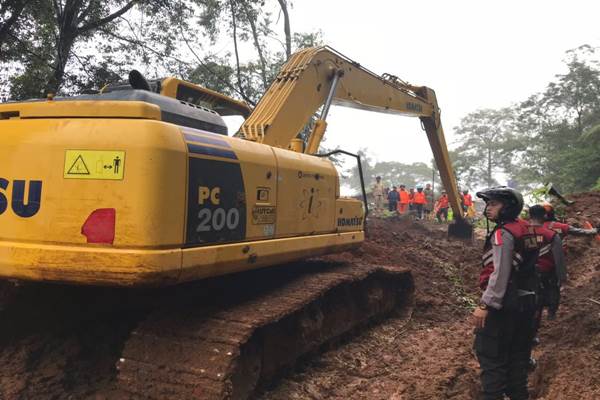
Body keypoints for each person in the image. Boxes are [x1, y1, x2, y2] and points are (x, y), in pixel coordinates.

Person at [473, 186, 540, 400]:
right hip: (527, 303)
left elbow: (500, 273)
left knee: (491, 358)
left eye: (493, 204)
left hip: (505, 305)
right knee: (517, 362)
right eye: (487, 204)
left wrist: (486, 305)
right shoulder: (526, 228)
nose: (488, 209)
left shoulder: (503, 233)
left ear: (508, 207)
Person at [528, 205, 565, 329]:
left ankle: (530, 329)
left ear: (529, 216)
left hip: (527, 272)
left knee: (532, 298)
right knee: (553, 289)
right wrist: (562, 276)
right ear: (544, 216)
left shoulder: (523, 232)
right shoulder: (552, 234)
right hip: (547, 271)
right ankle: (551, 314)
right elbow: (559, 258)